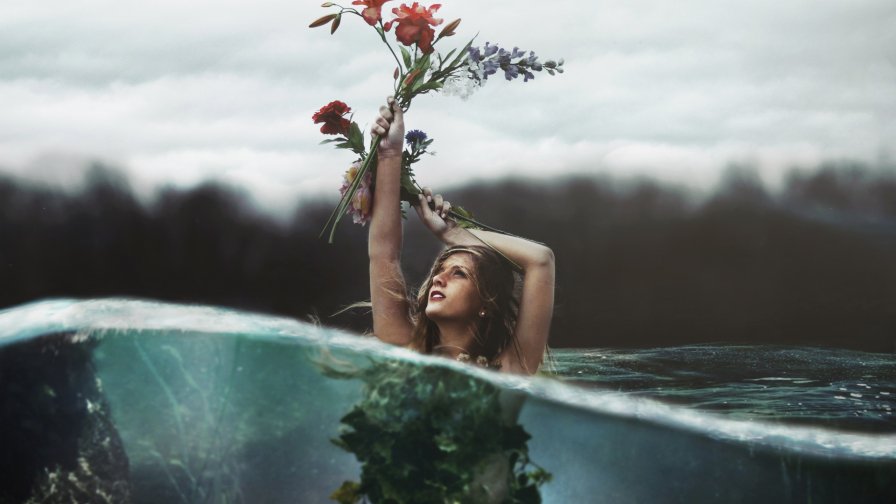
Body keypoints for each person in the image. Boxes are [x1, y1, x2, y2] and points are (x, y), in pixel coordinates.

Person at [368, 97, 555, 375]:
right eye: (441, 271)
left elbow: (541, 259)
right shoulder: (403, 344)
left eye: (459, 274)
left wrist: (453, 234)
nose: (438, 279)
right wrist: (389, 154)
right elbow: (384, 253)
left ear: (485, 304)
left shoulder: (510, 369)